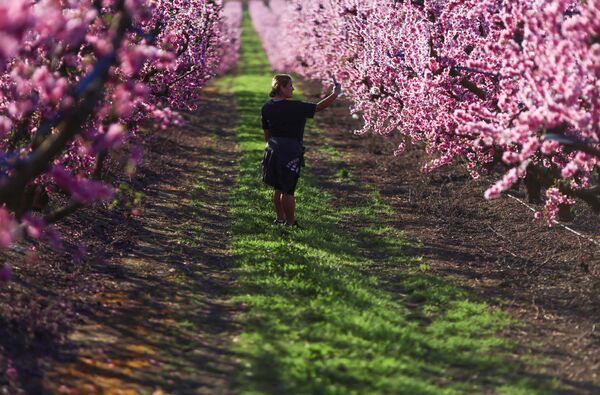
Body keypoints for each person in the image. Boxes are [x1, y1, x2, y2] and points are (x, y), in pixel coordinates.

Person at [261, 74, 342, 227]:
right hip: (290, 150)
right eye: (290, 86)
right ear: (281, 87)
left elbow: (266, 131)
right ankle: (290, 223)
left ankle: (279, 219)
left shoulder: (267, 107)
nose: (293, 88)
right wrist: (335, 94)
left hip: (273, 148)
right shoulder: (295, 106)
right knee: (288, 190)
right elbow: (318, 107)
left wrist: (271, 146)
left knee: (278, 187)